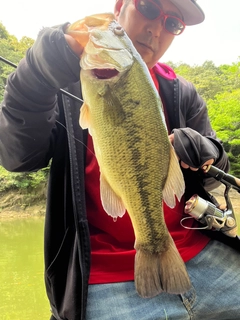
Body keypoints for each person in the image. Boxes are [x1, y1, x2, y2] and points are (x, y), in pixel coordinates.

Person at [0, 0, 239, 319]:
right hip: (102, 276)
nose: (157, 28)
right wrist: (39, 71)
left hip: (203, 251)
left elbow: (215, 175)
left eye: (173, 24)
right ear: (120, 7)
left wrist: (210, 153)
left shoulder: (182, 92)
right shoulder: (60, 83)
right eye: (150, 8)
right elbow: (17, 157)